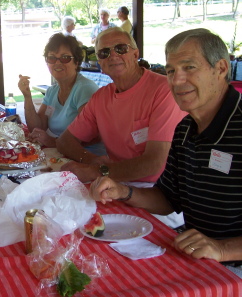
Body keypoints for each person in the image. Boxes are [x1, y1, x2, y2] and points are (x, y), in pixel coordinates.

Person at [90, 28, 242, 275]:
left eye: (189, 67)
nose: (177, 80)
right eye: (171, 71)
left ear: (221, 68)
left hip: (232, 268)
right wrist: (123, 191)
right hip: (197, 260)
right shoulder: (184, 129)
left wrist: (222, 249)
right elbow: (168, 200)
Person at [57, 27, 186, 227]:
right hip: (112, 185)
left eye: (120, 48)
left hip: (159, 196)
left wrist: (95, 171)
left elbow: (155, 163)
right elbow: (65, 141)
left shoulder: (163, 91)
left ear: (136, 53)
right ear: (99, 62)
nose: (113, 56)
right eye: (104, 52)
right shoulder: (101, 97)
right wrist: (93, 161)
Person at [18, 33, 101, 151]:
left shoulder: (84, 89)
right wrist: (27, 96)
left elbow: (94, 135)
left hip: (87, 157)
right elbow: (37, 127)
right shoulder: (52, 91)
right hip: (63, 154)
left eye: (65, 57)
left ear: (76, 62)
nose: (57, 62)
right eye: (52, 57)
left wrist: (53, 141)